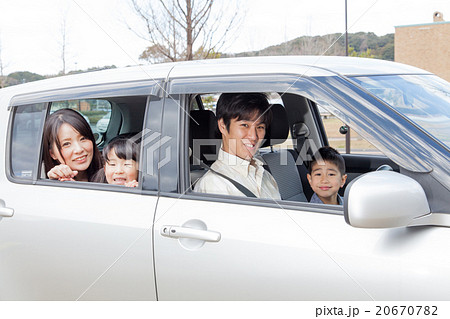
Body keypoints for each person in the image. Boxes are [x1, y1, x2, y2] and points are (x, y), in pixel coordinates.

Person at [194, 93, 281, 199]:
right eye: (245, 125)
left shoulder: (266, 176)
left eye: (260, 127)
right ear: (223, 126)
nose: (254, 136)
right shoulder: (213, 184)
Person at [43, 108, 103, 182]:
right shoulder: (49, 186)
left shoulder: (110, 172)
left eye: (83, 138)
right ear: (52, 153)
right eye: (66, 144)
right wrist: (54, 182)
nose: (79, 149)